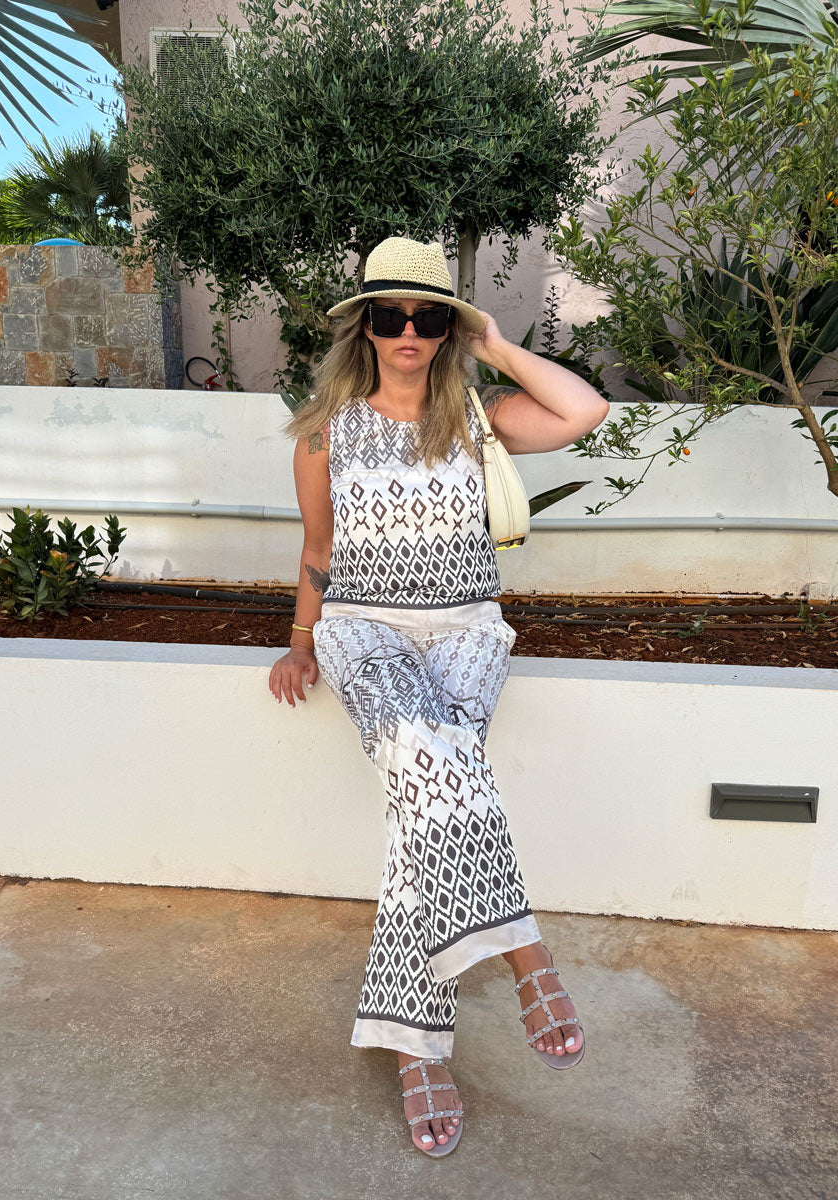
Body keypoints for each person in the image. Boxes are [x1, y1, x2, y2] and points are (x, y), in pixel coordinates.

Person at [269, 236, 610, 1157]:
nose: (409, 331)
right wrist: (300, 641)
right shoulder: (323, 433)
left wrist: (495, 344)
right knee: (430, 753)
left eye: (428, 316)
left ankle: (417, 1050)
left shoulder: (480, 416)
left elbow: (585, 410)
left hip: (465, 630)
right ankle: (528, 956)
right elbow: (318, 550)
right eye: (391, 315)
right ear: (366, 330)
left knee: (426, 809)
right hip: (363, 628)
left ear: (446, 328)